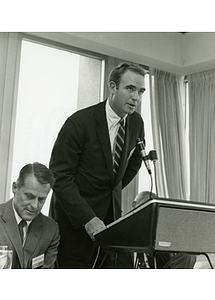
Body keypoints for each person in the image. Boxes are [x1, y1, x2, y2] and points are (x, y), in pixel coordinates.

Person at [49, 62, 147, 268]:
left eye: (141, 91)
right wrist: (87, 219)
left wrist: (113, 189)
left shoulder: (136, 123)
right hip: (75, 226)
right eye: (130, 88)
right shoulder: (79, 123)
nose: (136, 97)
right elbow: (59, 177)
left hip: (111, 224)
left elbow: (134, 163)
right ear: (113, 87)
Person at [132, 191, 197, 269]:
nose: (150, 211)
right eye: (146, 205)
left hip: (166, 264)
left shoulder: (162, 225)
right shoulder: (130, 228)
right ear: (134, 205)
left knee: (189, 255)